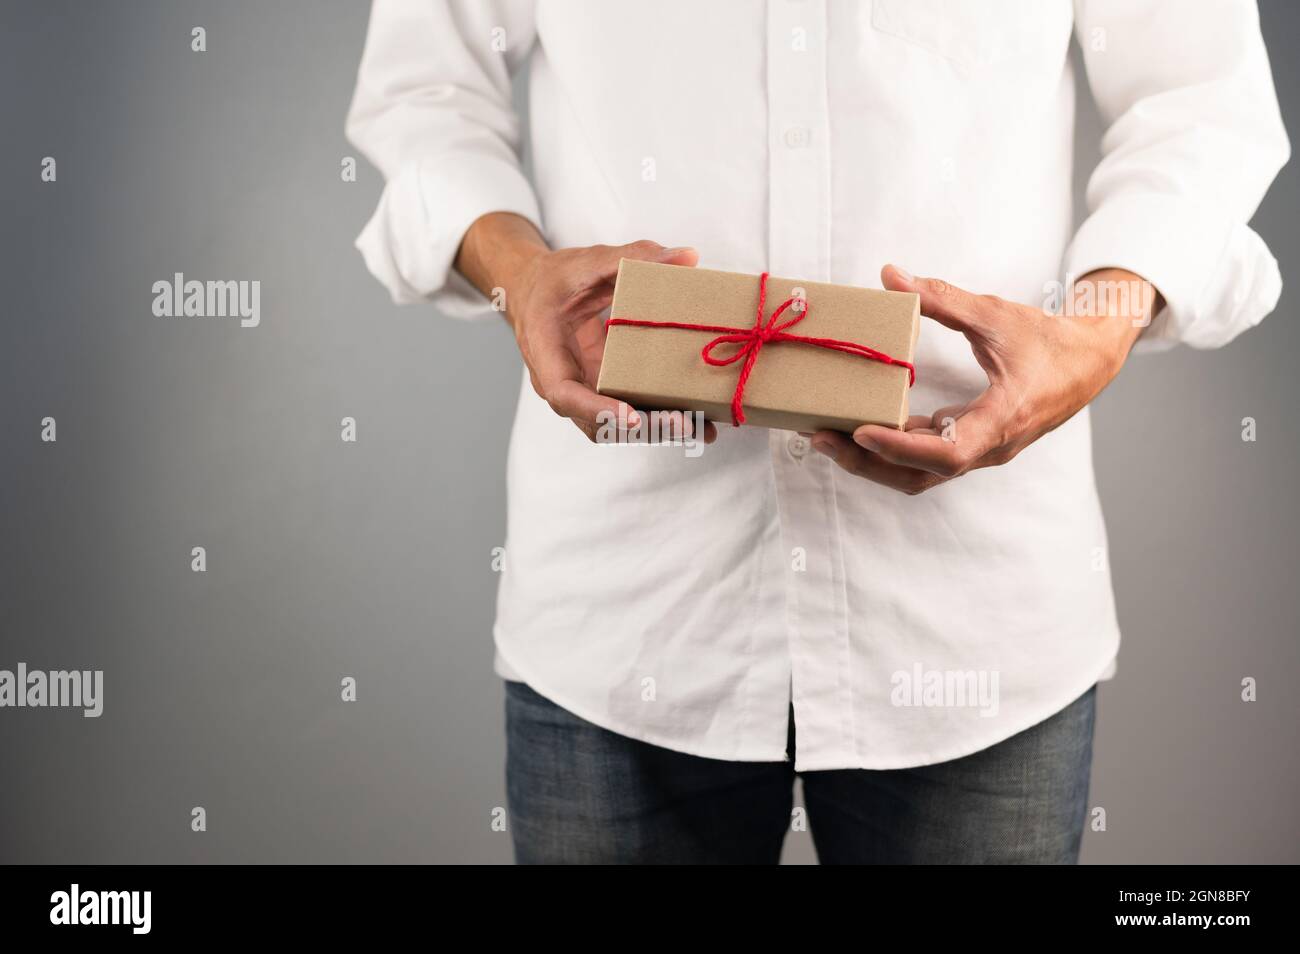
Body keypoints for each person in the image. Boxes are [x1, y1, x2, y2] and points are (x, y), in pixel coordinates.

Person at [345, 0, 1288, 863]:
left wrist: (1093, 331)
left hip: (973, 613)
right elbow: (427, 93)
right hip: (623, 607)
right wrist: (519, 271)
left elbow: (1199, 104)